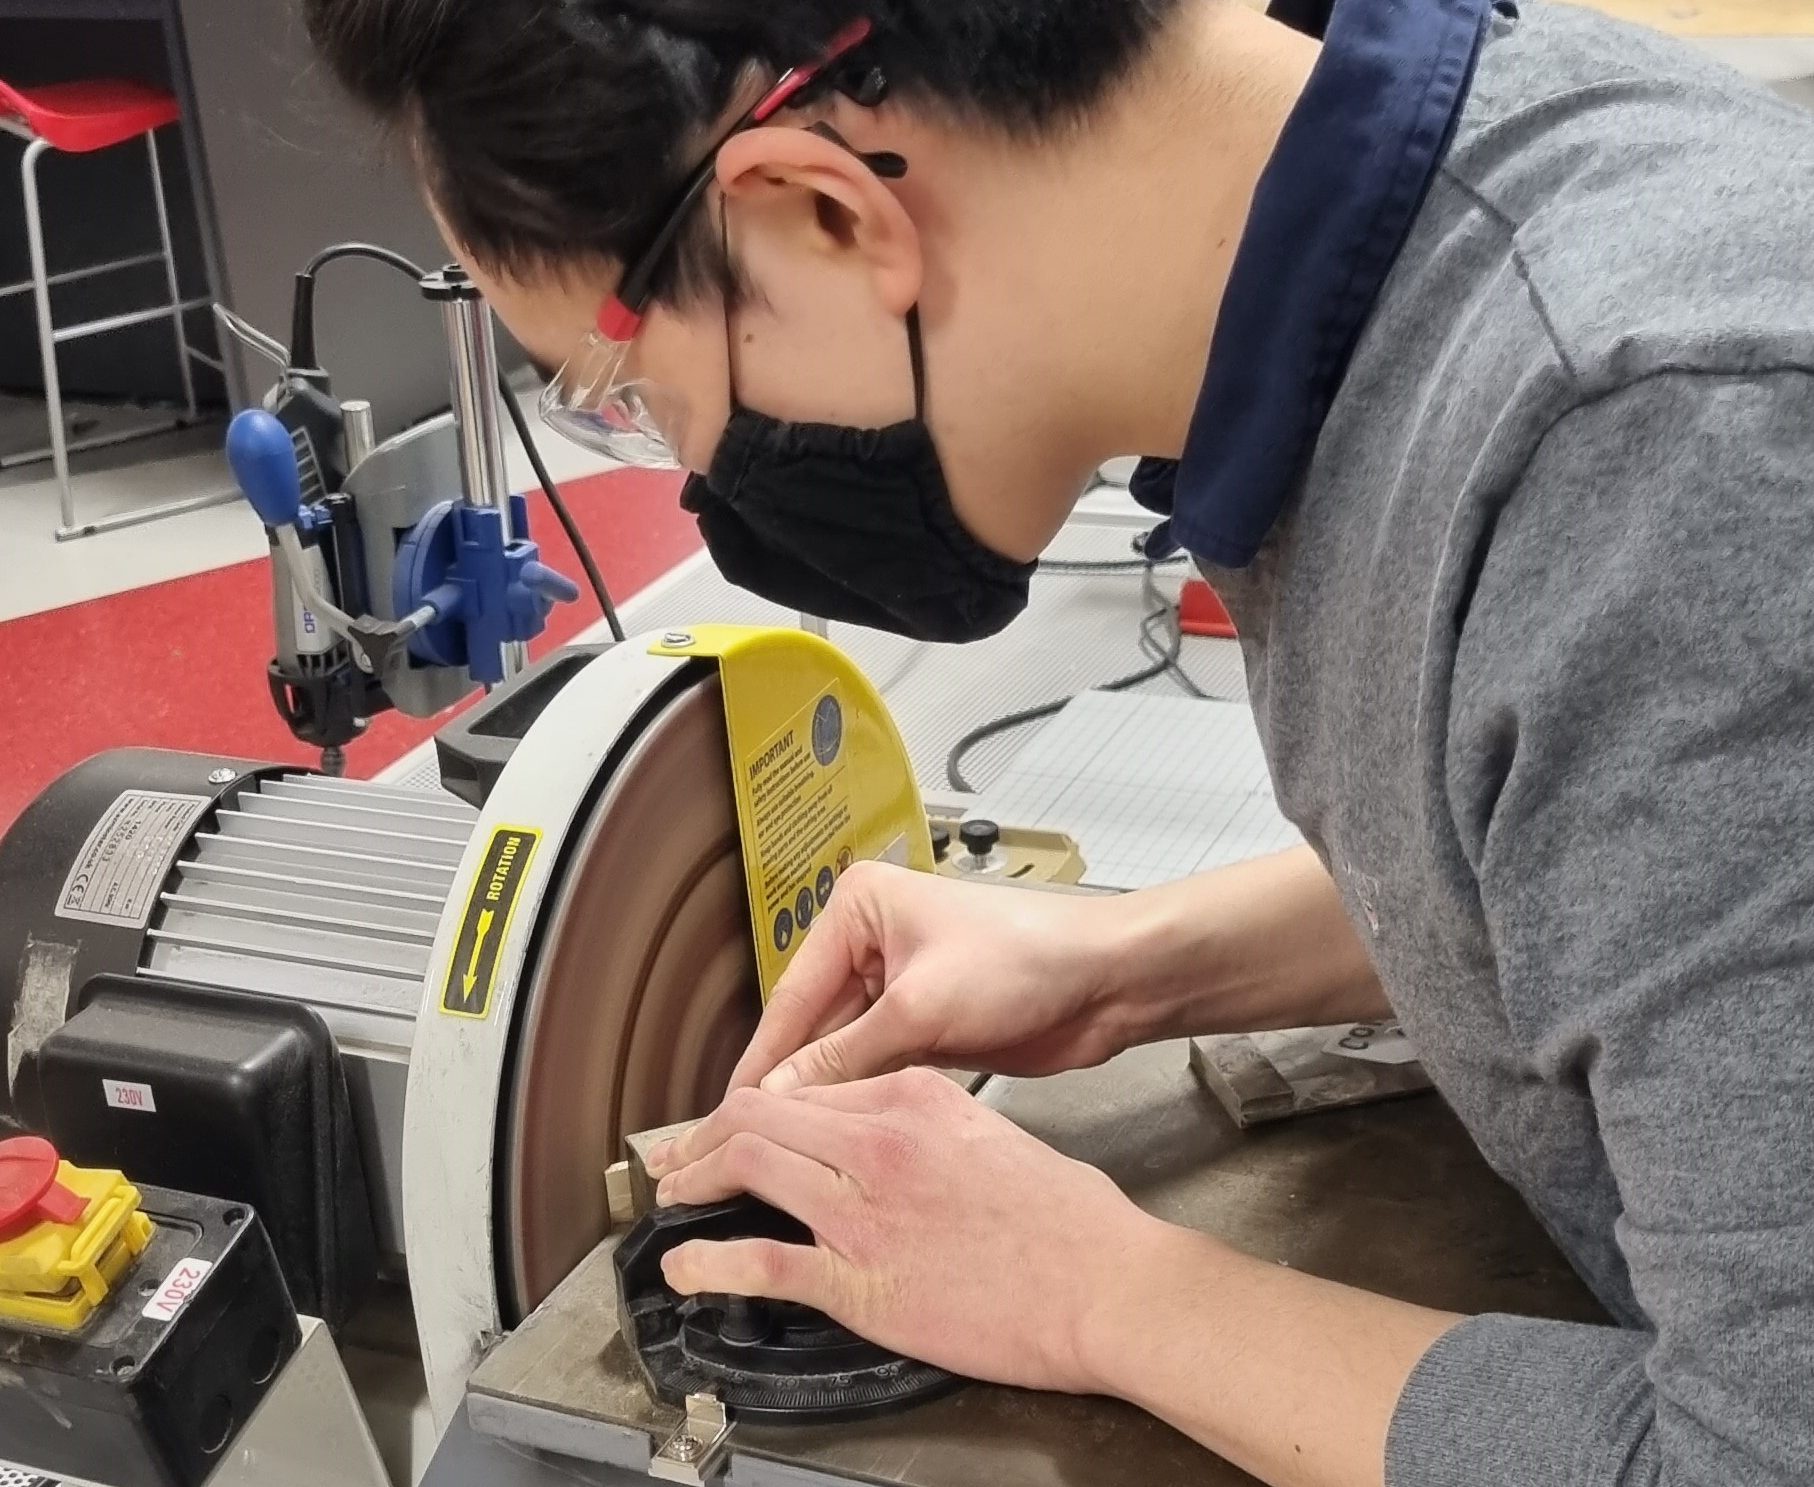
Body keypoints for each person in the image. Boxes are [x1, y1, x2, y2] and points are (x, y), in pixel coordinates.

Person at [302, 0, 1814, 1481]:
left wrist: (1097, 1292)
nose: (689, 467)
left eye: (632, 389)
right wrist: (1126, 966)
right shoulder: (1426, 232)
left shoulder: (1654, 462)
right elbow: (1608, 852)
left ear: (819, 215)